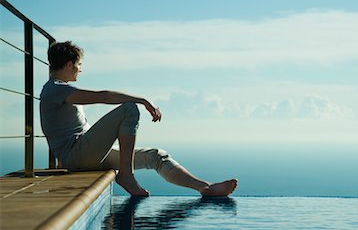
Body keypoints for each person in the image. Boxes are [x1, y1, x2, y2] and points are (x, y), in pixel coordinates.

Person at [40, 41, 238, 197]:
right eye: (79, 65)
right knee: (129, 109)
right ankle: (126, 175)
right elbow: (103, 96)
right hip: (78, 156)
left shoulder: (58, 89)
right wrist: (142, 100)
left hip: (86, 155)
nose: (80, 70)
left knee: (155, 156)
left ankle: (205, 187)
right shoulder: (56, 90)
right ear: (68, 64)